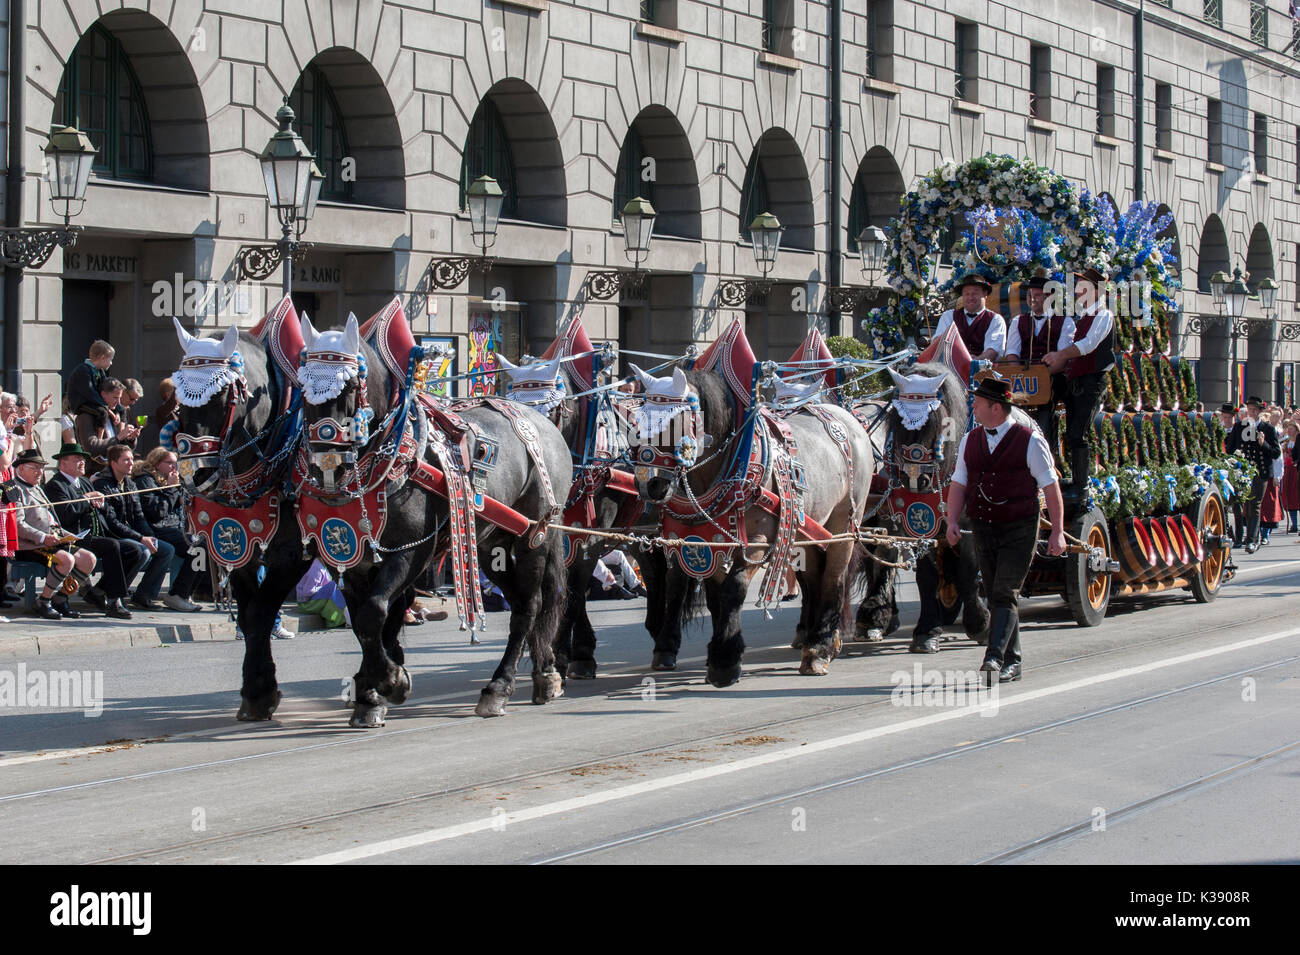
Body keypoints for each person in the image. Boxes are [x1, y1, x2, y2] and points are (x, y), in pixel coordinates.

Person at [945, 376, 1066, 683]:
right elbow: (959, 484)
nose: (973, 405)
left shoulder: (1030, 441)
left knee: (1004, 590)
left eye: (978, 402)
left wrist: (1058, 532)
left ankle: (994, 657)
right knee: (995, 591)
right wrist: (952, 521)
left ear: (995, 408)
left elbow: (1050, 489)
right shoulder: (970, 440)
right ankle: (1013, 660)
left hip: (1019, 527)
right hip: (984, 526)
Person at [1043, 267, 1115, 508]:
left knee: (1077, 432)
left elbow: (1087, 346)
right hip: (1078, 381)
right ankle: (1067, 479)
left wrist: (1060, 355)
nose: (1077, 292)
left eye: (1082, 288)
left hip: (1092, 382)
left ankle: (1081, 487)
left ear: (1097, 292)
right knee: (1065, 427)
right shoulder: (1084, 317)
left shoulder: (1104, 316)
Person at [43, 443, 136, 619]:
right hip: (74, 537)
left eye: (83, 459)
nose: (82, 462)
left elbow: (98, 506)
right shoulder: (56, 485)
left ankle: (100, 591)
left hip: (94, 533)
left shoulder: (84, 481)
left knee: (134, 550)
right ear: (63, 463)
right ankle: (115, 600)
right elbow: (65, 516)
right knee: (112, 546)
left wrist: (100, 503)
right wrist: (86, 500)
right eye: (77, 459)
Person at [4, 449, 99, 619]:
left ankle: (60, 598)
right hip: (31, 545)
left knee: (88, 559)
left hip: (54, 540)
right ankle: (44, 601)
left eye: (41, 468)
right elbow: (18, 525)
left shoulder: (38, 488)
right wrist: (43, 537)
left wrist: (68, 535)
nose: (40, 472)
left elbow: (51, 519)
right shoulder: (13, 489)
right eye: (34, 468)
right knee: (66, 560)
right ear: (21, 469)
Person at [90, 444, 175, 610]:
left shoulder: (129, 484)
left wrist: (150, 537)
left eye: (131, 459)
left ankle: (144, 595)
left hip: (131, 533)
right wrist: (141, 539)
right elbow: (111, 522)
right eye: (126, 460)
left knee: (165, 549)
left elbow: (138, 516)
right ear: (113, 463)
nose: (131, 463)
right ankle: (113, 594)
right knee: (140, 551)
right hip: (112, 535)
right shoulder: (103, 484)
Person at [133, 447, 202, 611]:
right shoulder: (145, 480)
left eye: (175, 463)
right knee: (197, 548)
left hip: (172, 528)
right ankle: (177, 594)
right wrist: (171, 489)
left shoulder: (172, 480)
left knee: (203, 547)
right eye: (169, 463)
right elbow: (156, 513)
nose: (174, 467)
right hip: (154, 529)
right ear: (156, 464)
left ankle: (184, 593)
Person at [1003, 271, 1071, 437]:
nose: (1032, 299)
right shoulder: (1018, 320)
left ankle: (1043, 441)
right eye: (1030, 295)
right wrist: (1021, 376)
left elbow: (1062, 358)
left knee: (1046, 406)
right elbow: (1012, 353)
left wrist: (1041, 376)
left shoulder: (1065, 321)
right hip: (1023, 379)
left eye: (1038, 295)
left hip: (1052, 378)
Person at [1226, 396, 1280, 553]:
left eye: (1255, 410)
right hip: (1242, 472)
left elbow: (1276, 453)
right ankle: (1245, 537)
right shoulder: (1239, 427)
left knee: (1255, 505)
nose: (1252, 412)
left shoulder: (1268, 429)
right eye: (1249, 410)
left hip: (1260, 472)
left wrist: (1264, 444)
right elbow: (1230, 449)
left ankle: (1251, 540)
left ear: (1260, 411)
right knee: (1246, 506)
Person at [931, 274, 1006, 360]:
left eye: (975, 293)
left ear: (985, 294)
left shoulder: (996, 320)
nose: (970, 297)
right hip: (949, 367)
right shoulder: (948, 316)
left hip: (982, 371)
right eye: (967, 293)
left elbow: (993, 350)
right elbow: (938, 343)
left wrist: (975, 362)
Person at [75, 377, 140, 474]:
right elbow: (91, 448)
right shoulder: (86, 416)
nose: (118, 402)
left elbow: (118, 446)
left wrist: (130, 439)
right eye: (115, 397)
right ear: (103, 394)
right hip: (95, 473)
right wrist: (119, 437)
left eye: (119, 398)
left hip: (114, 473)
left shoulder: (115, 414)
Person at [65, 340, 117, 420]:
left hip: (93, 402)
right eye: (110, 359)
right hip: (82, 404)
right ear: (102, 357)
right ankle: (100, 433)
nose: (111, 363)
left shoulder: (100, 371)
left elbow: (106, 389)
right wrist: (106, 406)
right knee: (102, 412)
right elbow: (90, 393)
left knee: (119, 410)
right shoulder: (83, 370)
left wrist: (115, 405)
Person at [1280, 420, 1299, 534]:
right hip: (1288, 471)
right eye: (1288, 429)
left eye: (1292, 429)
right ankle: (1294, 524)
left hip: (1296, 470)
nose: (1290, 431)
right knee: (1289, 497)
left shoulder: (1298, 440)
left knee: (1297, 496)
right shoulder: (1286, 442)